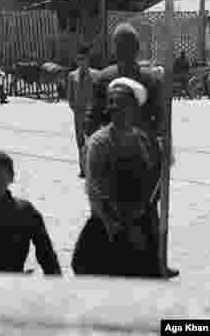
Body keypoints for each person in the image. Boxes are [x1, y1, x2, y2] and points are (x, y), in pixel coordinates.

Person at [85, 23, 178, 279]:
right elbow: (161, 120)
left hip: (111, 152)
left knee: (107, 206)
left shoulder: (103, 77)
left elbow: (91, 119)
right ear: (138, 49)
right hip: (143, 155)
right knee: (148, 211)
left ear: (114, 49)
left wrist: (95, 144)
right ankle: (155, 262)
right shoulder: (150, 79)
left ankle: (110, 260)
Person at [72, 77, 159, 278]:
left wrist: (162, 159)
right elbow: (94, 189)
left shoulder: (143, 140)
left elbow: (151, 186)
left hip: (138, 223)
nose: (115, 109)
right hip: (108, 224)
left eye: (122, 105)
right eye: (112, 103)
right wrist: (113, 224)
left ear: (134, 109)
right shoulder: (99, 143)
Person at [66, 45, 94, 178]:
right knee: (80, 142)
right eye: (78, 59)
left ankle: (91, 170)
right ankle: (82, 169)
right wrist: (75, 109)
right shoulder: (72, 76)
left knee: (91, 142)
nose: (80, 61)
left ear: (88, 59)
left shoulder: (95, 75)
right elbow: (69, 97)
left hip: (91, 115)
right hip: (78, 115)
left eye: (83, 58)